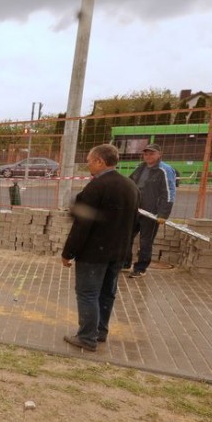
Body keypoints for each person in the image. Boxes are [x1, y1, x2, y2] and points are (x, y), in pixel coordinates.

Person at [61, 144, 140, 352]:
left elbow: (82, 225)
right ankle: (100, 331)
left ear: (100, 162)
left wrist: (68, 252)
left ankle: (87, 338)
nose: (87, 164)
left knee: (87, 293)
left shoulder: (96, 187)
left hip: (94, 254)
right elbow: (136, 223)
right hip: (118, 253)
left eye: (89, 160)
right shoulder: (130, 185)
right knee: (107, 293)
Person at [126, 143, 177, 278]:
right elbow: (130, 183)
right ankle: (124, 263)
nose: (148, 156)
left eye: (151, 153)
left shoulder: (164, 170)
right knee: (126, 236)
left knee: (145, 241)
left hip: (151, 213)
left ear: (159, 154)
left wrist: (163, 214)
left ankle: (141, 268)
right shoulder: (140, 168)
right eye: (146, 154)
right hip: (135, 209)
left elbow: (169, 192)